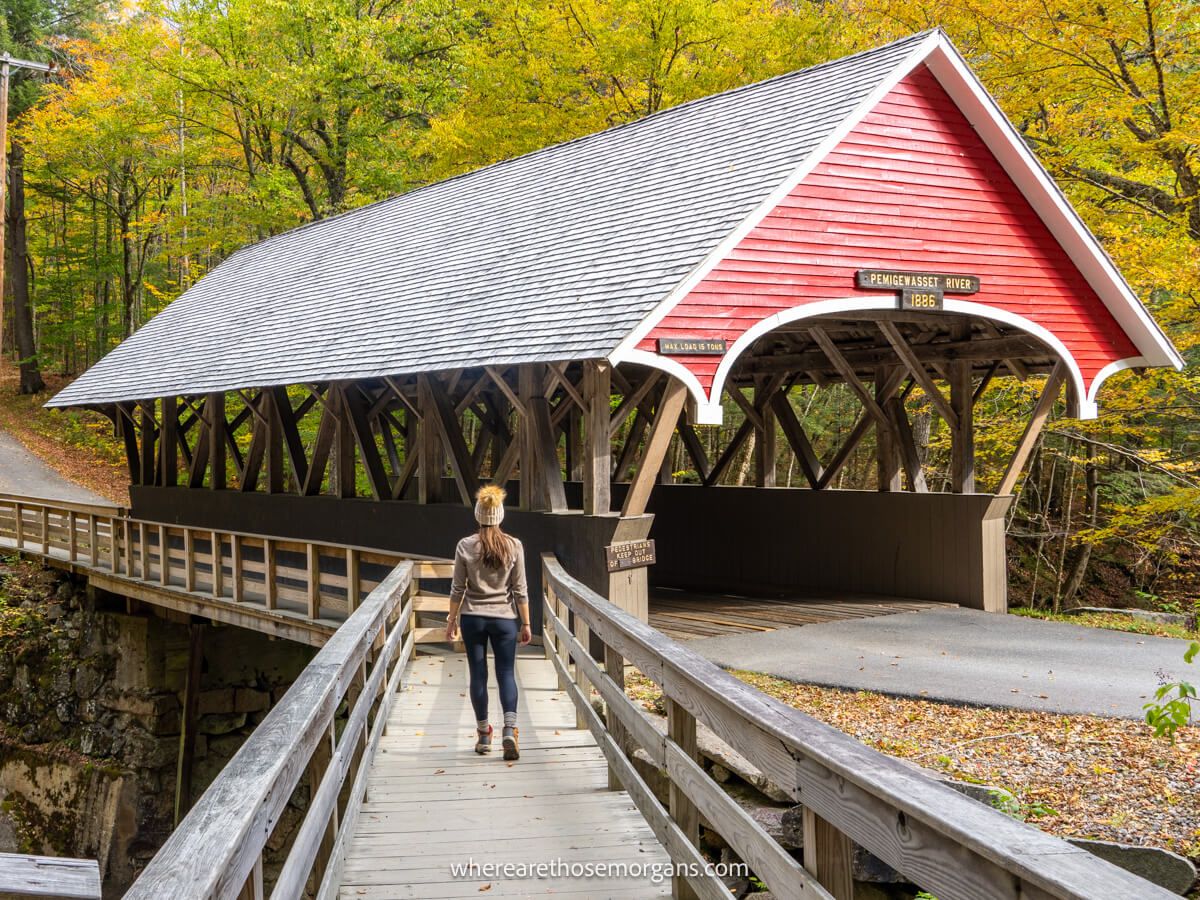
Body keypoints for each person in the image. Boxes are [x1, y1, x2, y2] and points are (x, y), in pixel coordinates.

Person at [445, 485, 532, 760]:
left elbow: (457, 589)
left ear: (478, 515)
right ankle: (509, 729)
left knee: (478, 674)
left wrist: (451, 620)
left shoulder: (464, 545)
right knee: (506, 673)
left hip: (472, 618)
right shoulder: (514, 545)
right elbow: (520, 589)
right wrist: (526, 624)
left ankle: (484, 735)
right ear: (500, 515)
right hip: (505, 619)